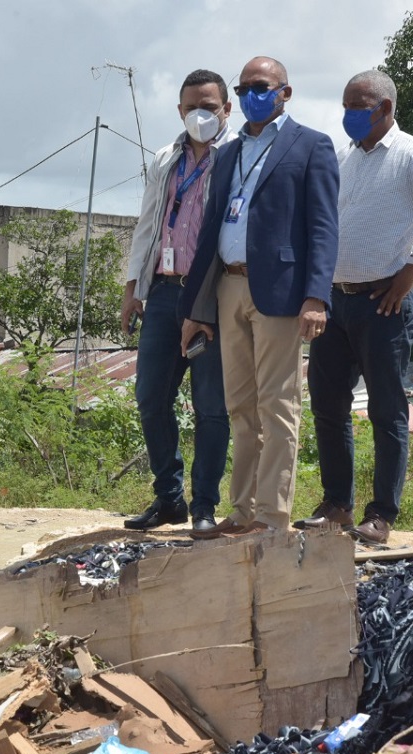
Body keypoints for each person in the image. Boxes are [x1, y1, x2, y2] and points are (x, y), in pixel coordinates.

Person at [296, 69, 413, 544]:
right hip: (335, 300)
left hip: (384, 304)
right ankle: (337, 506)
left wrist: (412, 269)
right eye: (346, 105)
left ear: (385, 109)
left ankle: (381, 515)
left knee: (386, 411)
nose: (349, 114)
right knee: (328, 406)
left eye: (358, 106)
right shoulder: (345, 158)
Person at [180, 55, 339, 537]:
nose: (253, 94)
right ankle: (244, 510)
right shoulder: (227, 152)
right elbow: (210, 230)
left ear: (284, 92)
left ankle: (273, 516)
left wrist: (316, 297)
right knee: (240, 408)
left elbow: (323, 229)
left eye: (262, 85)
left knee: (278, 406)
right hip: (228, 287)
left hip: (281, 293)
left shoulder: (312, 145)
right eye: (245, 86)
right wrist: (196, 306)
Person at [120, 69, 235, 533]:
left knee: (211, 406)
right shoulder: (166, 157)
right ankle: (169, 497)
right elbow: (147, 225)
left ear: (227, 108)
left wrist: (205, 300)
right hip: (165, 292)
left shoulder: (238, 157)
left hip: (212, 294)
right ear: (180, 110)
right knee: (150, 397)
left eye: (209, 106)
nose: (200, 115)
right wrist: (133, 289)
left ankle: (204, 505)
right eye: (191, 107)